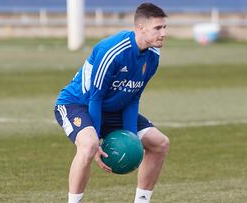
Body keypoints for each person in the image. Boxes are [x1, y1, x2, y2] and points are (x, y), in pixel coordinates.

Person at [54, 2, 169, 203]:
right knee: (88, 146)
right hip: (77, 104)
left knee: (160, 143)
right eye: (158, 28)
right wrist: (97, 140)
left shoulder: (153, 56)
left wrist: (131, 138)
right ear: (141, 28)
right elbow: (95, 98)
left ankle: (142, 201)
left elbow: (133, 97)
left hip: (113, 108)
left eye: (164, 27)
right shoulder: (112, 51)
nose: (163, 33)